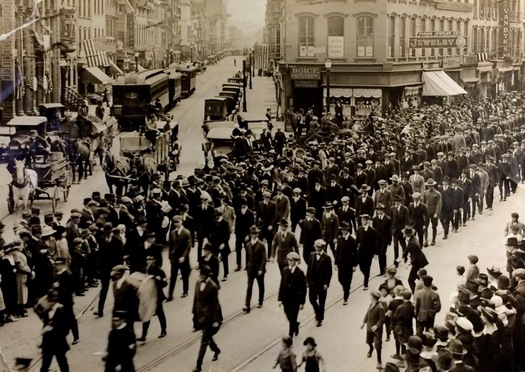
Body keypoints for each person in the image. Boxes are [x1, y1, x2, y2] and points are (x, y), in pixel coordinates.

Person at [192, 265, 223, 372]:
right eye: (199, 274)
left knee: (204, 341)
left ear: (206, 275)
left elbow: (215, 305)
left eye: (202, 274)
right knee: (207, 337)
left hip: (209, 318)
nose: (200, 276)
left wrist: (216, 320)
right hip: (200, 316)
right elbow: (195, 299)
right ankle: (216, 350)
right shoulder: (198, 283)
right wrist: (194, 314)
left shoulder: (213, 287)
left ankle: (198, 365)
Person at [38, 289, 70, 372]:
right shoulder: (46, 312)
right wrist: (42, 339)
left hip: (59, 343)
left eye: (50, 301)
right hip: (48, 344)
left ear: (55, 301)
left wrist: (53, 329)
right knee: (45, 366)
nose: (47, 303)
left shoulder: (61, 312)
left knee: (63, 364)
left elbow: (66, 330)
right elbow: (45, 326)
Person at [137, 254, 167, 342]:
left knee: (159, 312)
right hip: (148, 295)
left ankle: (163, 330)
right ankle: (143, 335)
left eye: (150, 259)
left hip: (157, 295)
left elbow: (165, 284)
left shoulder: (159, 271)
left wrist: (159, 280)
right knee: (147, 314)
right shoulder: (145, 269)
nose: (148, 261)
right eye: (147, 259)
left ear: (154, 260)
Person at [278, 252, 307, 339]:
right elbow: (282, 285)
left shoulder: (300, 273)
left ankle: (290, 336)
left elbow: (303, 289)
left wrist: (302, 302)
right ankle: (295, 325)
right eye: (288, 260)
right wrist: (280, 299)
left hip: (295, 299)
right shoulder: (285, 271)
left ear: (295, 261)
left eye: (291, 260)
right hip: (286, 299)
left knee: (293, 316)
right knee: (287, 314)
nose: (289, 262)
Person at [53, 257, 79, 345]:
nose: (57, 266)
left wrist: (58, 287)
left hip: (66, 300)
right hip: (58, 300)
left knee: (71, 318)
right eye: (56, 264)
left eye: (58, 264)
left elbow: (71, 288)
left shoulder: (67, 274)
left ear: (63, 264)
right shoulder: (58, 274)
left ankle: (76, 336)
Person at [306, 239, 332, 327]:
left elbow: (329, 273)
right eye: (316, 247)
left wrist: (326, 284)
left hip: (322, 284)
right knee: (312, 299)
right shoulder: (312, 255)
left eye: (319, 247)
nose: (317, 249)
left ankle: (320, 319)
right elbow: (309, 269)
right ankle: (318, 312)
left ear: (323, 248)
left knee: (322, 302)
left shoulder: (327, 258)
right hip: (313, 283)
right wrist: (307, 281)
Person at [167, 215, 192, 301]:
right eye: (174, 222)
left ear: (182, 221)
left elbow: (188, 247)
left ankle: (185, 291)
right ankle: (170, 294)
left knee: (185, 275)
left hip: (183, 258)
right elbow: (171, 245)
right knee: (173, 277)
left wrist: (184, 257)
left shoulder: (186, 232)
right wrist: (170, 256)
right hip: (174, 258)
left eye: (178, 222)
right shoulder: (173, 233)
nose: (176, 224)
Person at [243, 226, 267, 312]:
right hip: (250, 270)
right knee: (249, 287)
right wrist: (246, 267)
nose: (254, 235)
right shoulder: (248, 245)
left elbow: (264, 258)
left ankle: (260, 301)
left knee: (261, 285)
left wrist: (261, 269)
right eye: (253, 234)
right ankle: (247, 304)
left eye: (256, 233)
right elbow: (247, 257)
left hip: (259, 270)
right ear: (250, 234)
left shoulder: (261, 245)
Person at [399, 226, 429, 293]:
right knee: (420, 278)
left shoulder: (412, 242)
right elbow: (407, 249)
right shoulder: (412, 239)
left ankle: (416, 294)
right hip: (419, 261)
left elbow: (415, 255)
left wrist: (409, 263)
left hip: (417, 263)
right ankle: (426, 289)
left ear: (406, 234)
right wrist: (402, 256)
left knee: (410, 280)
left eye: (404, 233)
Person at [335, 222, 358, 304]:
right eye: (342, 230)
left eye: (345, 230)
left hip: (349, 264)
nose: (343, 232)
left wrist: (354, 265)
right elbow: (337, 251)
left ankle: (345, 298)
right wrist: (335, 263)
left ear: (348, 230)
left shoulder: (352, 240)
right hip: (341, 263)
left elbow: (355, 253)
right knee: (340, 278)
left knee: (348, 280)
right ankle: (346, 288)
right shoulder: (340, 239)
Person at [362, 290, 385, 369]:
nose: (370, 297)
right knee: (369, 341)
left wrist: (377, 326)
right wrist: (363, 322)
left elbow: (382, 319)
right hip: (369, 327)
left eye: (371, 296)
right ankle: (371, 349)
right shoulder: (371, 304)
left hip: (377, 330)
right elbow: (367, 313)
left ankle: (379, 360)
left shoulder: (380, 307)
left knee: (378, 345)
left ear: (374, 297)